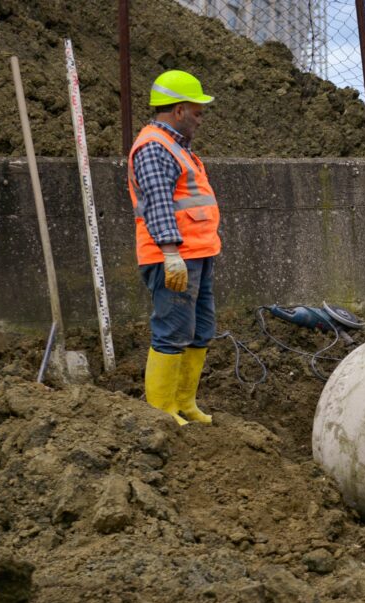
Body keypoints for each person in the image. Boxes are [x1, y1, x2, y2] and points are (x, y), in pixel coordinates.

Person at [126, 70, 219, 425]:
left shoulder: (176, 147)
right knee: (173, 331)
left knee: (200, 330)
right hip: (173, 257)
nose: (200, 118)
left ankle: (184, 403)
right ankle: (161, 412)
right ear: (179, 110)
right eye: (197, 111)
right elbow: (158, 203)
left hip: (197, 254)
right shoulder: (154, 147)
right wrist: (170, 253)